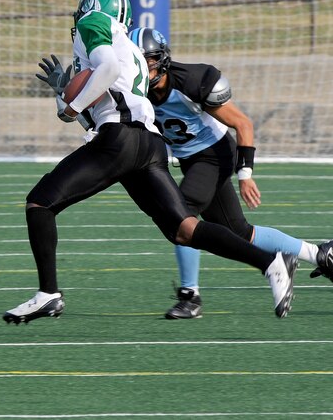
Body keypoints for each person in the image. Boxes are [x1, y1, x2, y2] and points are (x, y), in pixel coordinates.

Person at [4, 0, 297, 325]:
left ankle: (49, 294)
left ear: (95, 6)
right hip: (149, 145)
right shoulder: (128, 48)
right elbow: (106, 101)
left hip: (121, 140)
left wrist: (70, 107)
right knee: (184, 229)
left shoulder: (94, 23)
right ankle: (271, 262)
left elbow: (106, 75)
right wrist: (66, 94)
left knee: (40, 202)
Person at [128, 26, 333, 319]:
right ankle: (320, 254)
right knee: (239, 231)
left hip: (214, 154)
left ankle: (190, 296)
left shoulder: (191, 81)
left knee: (181, 218)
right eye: (136, 60)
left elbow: (243, 124)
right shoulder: (131, 88)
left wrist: (245, 173)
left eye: (148, 60)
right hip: (190, 160)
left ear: (161, 59)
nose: (143, 67)